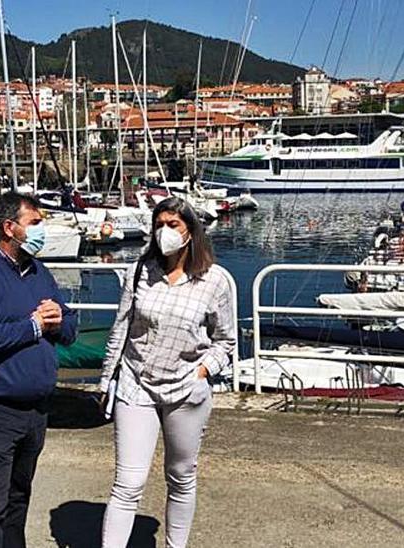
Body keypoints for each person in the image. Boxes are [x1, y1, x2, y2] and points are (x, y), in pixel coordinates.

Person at [98, 196, 236, 548]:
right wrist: (105, 381)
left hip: (187, 388)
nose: (164, 232)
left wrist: (204, 371)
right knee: (127, 484)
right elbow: (120, 329)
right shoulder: (140, 272)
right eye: (159, 225)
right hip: (135, 385)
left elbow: (226, 341)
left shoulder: (215, 280)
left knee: (181, 477)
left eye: (172, 225)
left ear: (191, 230)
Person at [0, 192, 78, 548]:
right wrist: (34, 326)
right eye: (34, 222)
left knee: (18, 501)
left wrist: (56, 321)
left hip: (35, 411)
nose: (42, 230)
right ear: (10, 228)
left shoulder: (39, 272)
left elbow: (69, 327)